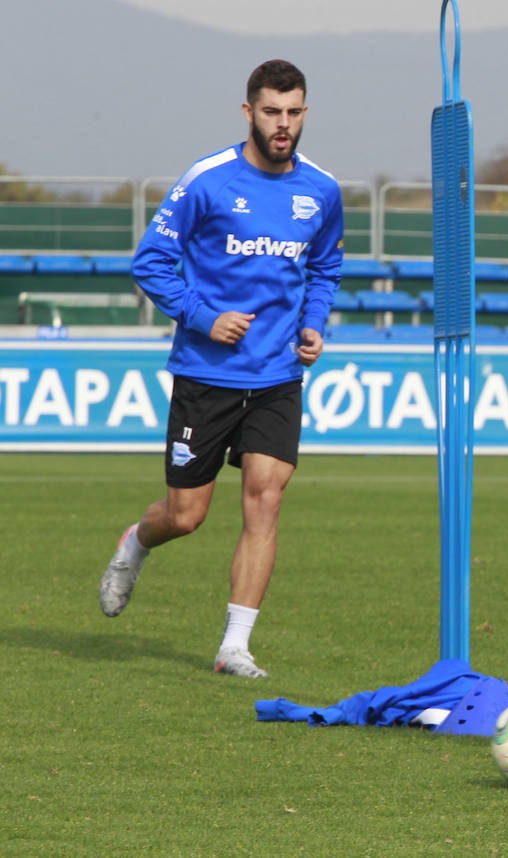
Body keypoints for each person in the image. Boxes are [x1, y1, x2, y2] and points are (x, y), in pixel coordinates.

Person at [99, 59, 344, 678]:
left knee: (266, 499)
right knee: (187, 516)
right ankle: (136, 542)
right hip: (207, 374)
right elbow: (150, 262)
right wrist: (205, 317)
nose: (282, 124)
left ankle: (235, 645)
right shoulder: (207, 181)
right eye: (271, 112)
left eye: (292, 112)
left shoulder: (322, 190)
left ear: (304, 113)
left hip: (278, 377)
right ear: (248, 112)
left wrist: (313, 324)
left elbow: (323, 267)